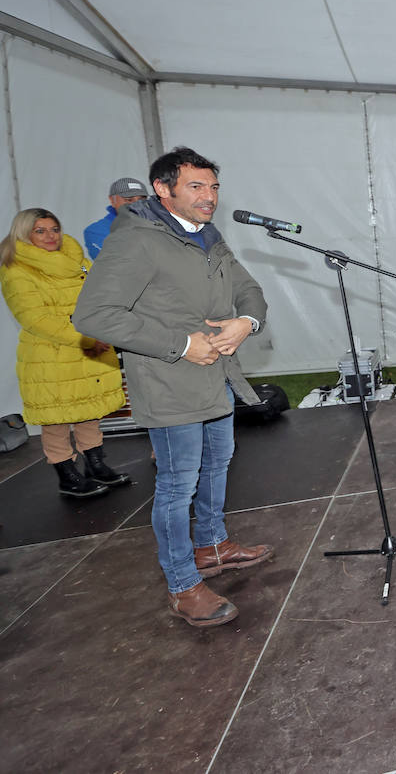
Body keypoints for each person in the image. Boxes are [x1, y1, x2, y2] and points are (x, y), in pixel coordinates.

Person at [73, 147, 271, 629]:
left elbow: (249, 290)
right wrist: (181, 344)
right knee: (177, 484)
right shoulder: (136, 240)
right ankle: (183, 586)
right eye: (196, 187)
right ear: (163, 190)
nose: (210, 197)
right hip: (168, 381)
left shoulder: (207, 237)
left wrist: (245, 321)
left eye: (214, 187)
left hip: (218, 375)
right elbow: (92, 315)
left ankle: (212, 544)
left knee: (219, 461)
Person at [1, 208, 129, 498]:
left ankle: (96, 465)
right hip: (52, 355)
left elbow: (100, 294)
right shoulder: (16, 268)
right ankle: (67, 476)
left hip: (89, 349)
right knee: (56, 419)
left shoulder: (76, 259)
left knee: (89, 410)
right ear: (24, 234)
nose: (50, 236)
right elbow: (36, 319)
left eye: (54, 229)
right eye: (40, 231)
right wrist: (87, 336)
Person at [82, 176, 149, 259]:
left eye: (142, 200)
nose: (137, 205)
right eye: (129, 200)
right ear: (112, 200)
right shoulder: (95, 231)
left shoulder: (158, 225)